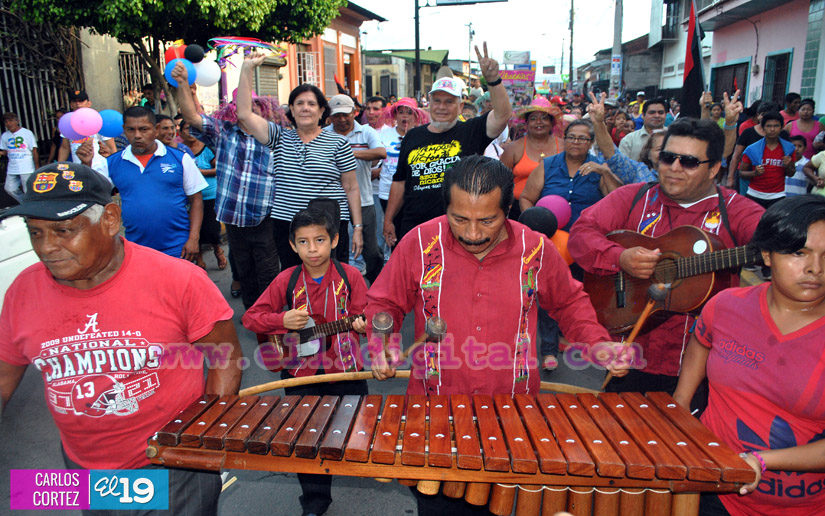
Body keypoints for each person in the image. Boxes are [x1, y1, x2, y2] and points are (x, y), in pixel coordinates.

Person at [366, 155, 627, 515]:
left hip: (512, 417)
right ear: (447, 208)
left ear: (509, 209)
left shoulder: (535, 250)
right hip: (435, 412)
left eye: (487, 220)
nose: (472, 234)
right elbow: (384, 302)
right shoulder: (420, 242)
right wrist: (383, 341)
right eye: (460, 219)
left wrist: (598, 345)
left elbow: (569, 303)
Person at [0, 162, 242, 516]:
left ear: (110, 219)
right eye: (35, 233)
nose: (47, 247)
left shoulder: (178, 281)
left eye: (64, 230)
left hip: (170, 468)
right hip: (82, 470)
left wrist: (199, 444)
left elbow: (227, 359)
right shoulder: (23, 289)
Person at [569, 116, 765, 395]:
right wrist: (620, 258)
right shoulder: (633, 197)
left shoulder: (737, 210)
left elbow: (778, 242)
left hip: (701, 364)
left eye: (689, 162)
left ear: (714, 169)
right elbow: (581, 234)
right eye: (668, 158)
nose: (674, 168)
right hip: (630, 354)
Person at [673, 194, 825, 516]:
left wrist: (761, 460)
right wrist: (681, 403)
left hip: (804, 508)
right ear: (767, 254)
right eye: (799, 253)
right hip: (714, 490)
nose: (815, 268)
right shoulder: (727, 305)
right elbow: (702, 340)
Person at [243, 207, 368, 516]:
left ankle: (364, 474)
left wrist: (368, 326)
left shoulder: (350, 276)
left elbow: (372, 315)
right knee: (306, 439)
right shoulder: (286, 280)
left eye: (320, 240)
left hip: (346, 371)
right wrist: (281, 318)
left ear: (335, 240)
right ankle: (314, 502)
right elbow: (250, 318)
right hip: (300, 375)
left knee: (358, 432)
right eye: (303, 242)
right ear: (292, 245)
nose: (312, 249)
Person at [235, 54, 363, 269]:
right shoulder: (279, 137)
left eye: (312, 104)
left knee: (332, 280)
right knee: (294, 277)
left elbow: (351, 187)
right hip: (288, 223)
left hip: (328, 223)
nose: (305, 108)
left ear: (322, 111)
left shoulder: (338, 143)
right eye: (299, 103)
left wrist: (357, 227)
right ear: (291, 110)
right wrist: (247, 68)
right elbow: (244, 113)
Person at [173, 61, 281, 310]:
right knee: (244, 270)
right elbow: (191, 117)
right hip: (233, 219)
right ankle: (254, 315)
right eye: (241, 107)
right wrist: (181, 84)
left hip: (265, 218)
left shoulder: (274, 135)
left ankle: (271, 318)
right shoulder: (223, 131)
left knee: (267, 272)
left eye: (253, 107)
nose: (247, 112)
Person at [382, 42, 512, 247]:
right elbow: (399, 182)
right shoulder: (412, 136)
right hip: (415, 227)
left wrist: (493, 80)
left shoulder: (471, 131)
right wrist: (388, 219)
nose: (442, 107)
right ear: (429, 103)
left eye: (449, 102)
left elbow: (503, 114)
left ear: (460, 106)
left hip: (457, 229)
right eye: (437, 101)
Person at [92, 106, 206, 261]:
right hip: (136, 249)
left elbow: (196, 199)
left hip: (178, 246)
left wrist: (193, 239)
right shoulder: (112, 163)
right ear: (124, 130)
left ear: (156, 129)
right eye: (131, 130)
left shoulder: (180, 159)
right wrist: (87, 164)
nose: (137, 135)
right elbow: (93, 197)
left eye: (144, 129)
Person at [324, 94, 387, 283]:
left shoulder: (366, 132)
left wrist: (348, 153)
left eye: (345, 114)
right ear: (329, 116)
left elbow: (380, 152)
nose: (342, 120)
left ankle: (377, 284)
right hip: (333, 201)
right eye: (337, 116)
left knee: (371, 250)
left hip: (364, 200)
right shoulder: (324, 134)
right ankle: (344, 288)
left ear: (354, 113)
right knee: (339, 248)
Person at [519, 119, 623, 231]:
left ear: (591, 143)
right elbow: (526, 198)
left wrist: (605, 172)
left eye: (582, 138)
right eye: (571, 137)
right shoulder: (547, 165)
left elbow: (619, 200)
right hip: (550, 235)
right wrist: (535, 224)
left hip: (587, 234)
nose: (576, 142)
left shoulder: (599, 168)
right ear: (564, 139)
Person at [374, 98, 429, 257]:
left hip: (413, 193)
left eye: (409, 112)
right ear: (395, 115)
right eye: (401, 112)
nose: (405, 116)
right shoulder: (383, 134)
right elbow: (375, 160)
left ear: (415, 115)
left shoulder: (421, 135)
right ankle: (393, 263)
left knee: (411, 232)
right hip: (386, 191)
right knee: (392, 231)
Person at [500, 97, 564, 219]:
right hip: (518, 210)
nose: (538, 122)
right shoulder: (514, 148)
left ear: (551, 123)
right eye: (533, 119)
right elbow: (500, 180)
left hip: (558, 209)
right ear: (527, 123)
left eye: (544, 118)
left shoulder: (563, 146)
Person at [179, 118, 226, 270]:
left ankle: (217, 249)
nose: (191, 133)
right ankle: (198, 258)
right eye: (187, 129)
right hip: (188, 197)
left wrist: (200, 172)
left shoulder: (207, 149)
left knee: (212, 229)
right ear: (180, 132)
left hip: (210, 195)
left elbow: (220, 169)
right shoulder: (179, 150)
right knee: (194, 228)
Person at [588, 93, 659, 185]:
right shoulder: (640, 172)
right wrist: (598, 123)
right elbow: (612, 155)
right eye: (659, 149)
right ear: (649, 153)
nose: (656, 116)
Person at [739, 112, 796, 209]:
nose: (772, 129)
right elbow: (741, 173)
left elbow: (791, 173)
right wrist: (754, 173)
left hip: (778, 196)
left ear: (782, 127)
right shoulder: (752, 149)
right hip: (754, 195)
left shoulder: (789, 149)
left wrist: (788, 165)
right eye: (769, 126)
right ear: (763, 128)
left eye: (776, 126)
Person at [57, 90, 116, 178]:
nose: (78, 104)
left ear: (89, 103)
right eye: (74, 101)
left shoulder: (98, 121)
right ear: (71, 105)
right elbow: (65, 148)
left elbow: (112, 148)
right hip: (79, 169)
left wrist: (114, 169)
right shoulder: (68, 123)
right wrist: (59, 167)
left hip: (100, 170)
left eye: (81, 101)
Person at [0, 112, 39, 203]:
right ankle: (26, 203)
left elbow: (34, 151)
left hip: (26, 167)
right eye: (6, 122)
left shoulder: (27, 133)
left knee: (28, 190)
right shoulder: (5, 135)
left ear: (17, 121)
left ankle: (31, 208)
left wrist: (37, 167)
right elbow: (6, 152)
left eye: (11, 121)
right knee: (9, 188)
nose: (8, 124)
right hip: (12, 167)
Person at [619, 97, 667, 161]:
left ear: (665, 115)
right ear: (643, 115)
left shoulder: (673, 137)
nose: (656, 116)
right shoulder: (629, 140)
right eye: (652, 112)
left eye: (660, 112)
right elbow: (622, 166)